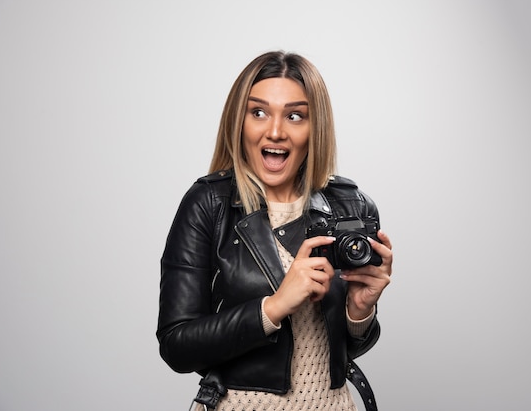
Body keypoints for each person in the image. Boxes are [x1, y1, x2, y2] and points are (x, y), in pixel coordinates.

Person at [157, 50, 393, 411]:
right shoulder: (209, 204)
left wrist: (360, 312)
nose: (276, 131)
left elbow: (340, 350)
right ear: (240, 121)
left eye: (295, 115)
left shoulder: (352, 206)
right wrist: (274, 307)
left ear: (315, 129)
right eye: (259, 112)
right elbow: (177, 345)